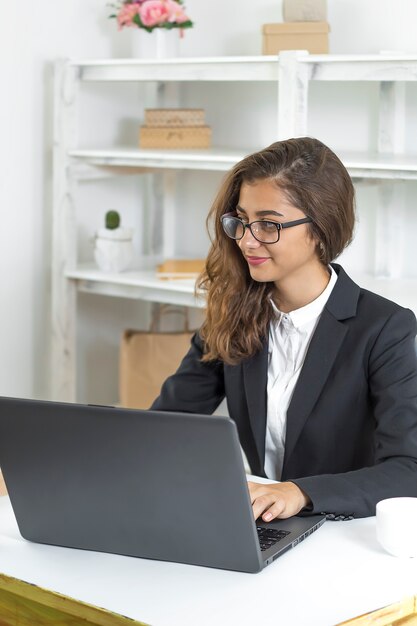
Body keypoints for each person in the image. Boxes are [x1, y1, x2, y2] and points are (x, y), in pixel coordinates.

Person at [151, 137, 417, 522]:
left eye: (268, 225)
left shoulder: (384, 328)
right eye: (241, 221)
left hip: (344, 531)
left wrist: (300, 493)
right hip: (262, 526)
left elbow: (408, 469)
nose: (246, 239)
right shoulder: (233, 311)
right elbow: (165, 426)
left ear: (321, 228)